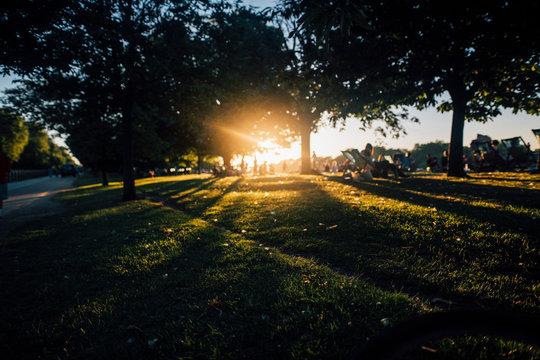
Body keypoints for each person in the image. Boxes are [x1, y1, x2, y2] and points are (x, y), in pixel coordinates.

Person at [0, 151, 12, 220]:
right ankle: (0, 214)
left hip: (2, 180)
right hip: (2, 180)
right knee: (0, 198)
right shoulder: (5, 158)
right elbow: (8, 169)